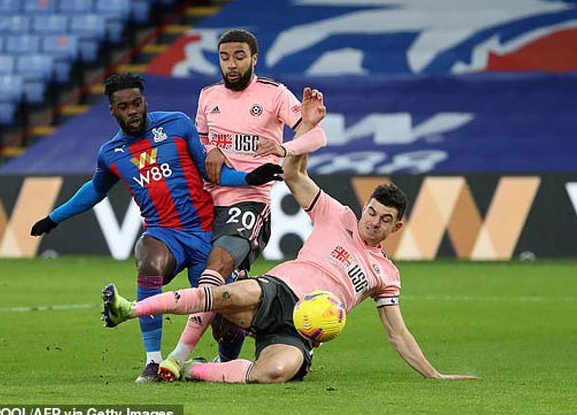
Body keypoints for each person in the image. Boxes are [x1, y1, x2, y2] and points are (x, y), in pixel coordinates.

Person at [101, 89, 476, 383]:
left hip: (303, 329)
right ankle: (132, 310)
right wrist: (307, 127)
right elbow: (294, 176)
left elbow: (398, 334)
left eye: (384, 220)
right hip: (276, 292)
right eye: (372, 212)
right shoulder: (337, 216)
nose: (373, 222)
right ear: (365, 208)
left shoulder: (386, 275)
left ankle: (193, 370)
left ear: (396, 228)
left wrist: (434, 374)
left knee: (274, 373)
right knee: (222, 292)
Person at [30, 73, 283, 383]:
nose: (133, 111)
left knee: (227, 311)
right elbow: (94, 191)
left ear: (145, 101)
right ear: (113, 110)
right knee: (148, 260)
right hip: (165, 234)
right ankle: (152, 362)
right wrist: (53, 218)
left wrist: (250, 177)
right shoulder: (111, 154)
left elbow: (211, 171)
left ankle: (224, 362)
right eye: (124, 106)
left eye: (137, 103)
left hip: (206, 233)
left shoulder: (176, 125)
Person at [161, 28, 327, 375]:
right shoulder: (208, 96)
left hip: (250, 202)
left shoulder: (274, 94)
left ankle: (173, 360)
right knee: (222, 301)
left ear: (254, 58)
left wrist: (285, 149)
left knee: (215, 270)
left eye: (239, 56)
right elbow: (202, 145)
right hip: (209, 202)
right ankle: (225, 363)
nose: (231, 64)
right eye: (224, 57)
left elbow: (317, 134)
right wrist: (212, 150)